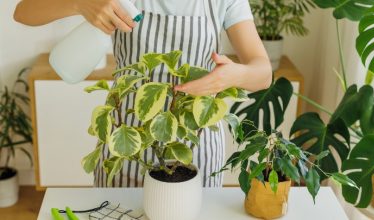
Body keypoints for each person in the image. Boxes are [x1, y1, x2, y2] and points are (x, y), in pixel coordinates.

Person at [14, 0, 272, 187]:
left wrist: (233, 76)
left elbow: (262, 73)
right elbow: (24, 12)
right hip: (127, 143)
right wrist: (81, 3)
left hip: (196, 146)